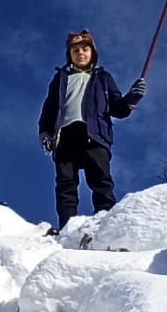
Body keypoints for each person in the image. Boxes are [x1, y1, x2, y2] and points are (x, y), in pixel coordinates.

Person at [37, 29, 146, 226]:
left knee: (101, 179)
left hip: (94, 133)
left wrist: (132, 97)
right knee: (65, 183)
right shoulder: (61, 78)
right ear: (69, 55)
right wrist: (45, 131)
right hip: (65, 134)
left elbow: (118, 108)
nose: (80, 53)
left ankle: (106, 222)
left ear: (92, 52)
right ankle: (68, 226)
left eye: (85, 49)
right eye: (75, 50)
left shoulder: (103, 77)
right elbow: (50, 107)